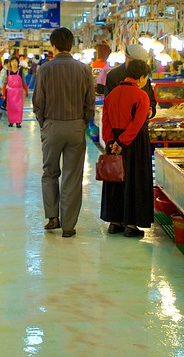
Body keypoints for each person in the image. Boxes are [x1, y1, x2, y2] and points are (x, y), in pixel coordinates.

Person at [32, 28, 95, 238]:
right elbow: (90, 103)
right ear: (71, 45)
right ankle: (68, 226)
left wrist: (43, 123)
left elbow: (38, 101)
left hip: (51, 127)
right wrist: (82, 122)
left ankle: (52, 218)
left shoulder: (45, 69)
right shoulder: (84, 70)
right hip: (76, 127)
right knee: (72, 176)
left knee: (50, 173)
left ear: (53, 45)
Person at [101, 59, 154, 238]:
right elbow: (137, 123)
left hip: (113, 141)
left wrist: (111, 142)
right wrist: (123, 143)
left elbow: (105, 121)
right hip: (134, 143)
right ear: (141, 77)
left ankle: (114, 222)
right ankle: (131, 224)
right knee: (134, 180)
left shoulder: (112, 95)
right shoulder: (141, 96)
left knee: (115, 179)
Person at [105, 44, 156, 117]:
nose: (137, 66)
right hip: (120, 123)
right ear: (126, 58)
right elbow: (109, 104)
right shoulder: (113, 76)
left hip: (141, 122)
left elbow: (151, 100)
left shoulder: (144, 75)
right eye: (133, 62)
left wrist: (151, 112)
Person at [2, 56, 29, 128]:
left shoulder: (20, 72)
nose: (14, 63)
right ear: (10, 63)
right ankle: (11, 122)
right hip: (10, 92)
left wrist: (26, 91)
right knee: (10, 107)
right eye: (12, 61)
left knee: (18, 107)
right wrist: (3, 93)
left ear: (18, 63)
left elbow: (23, 82)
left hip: (18, 92)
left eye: (16, 61)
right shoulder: (7, 72)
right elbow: (5, 83)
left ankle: (18, 122)